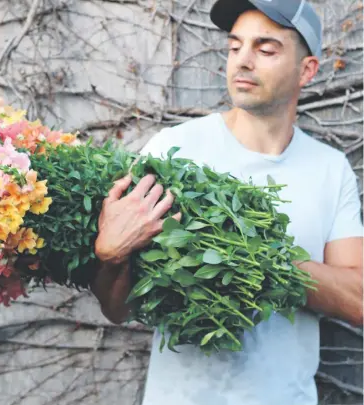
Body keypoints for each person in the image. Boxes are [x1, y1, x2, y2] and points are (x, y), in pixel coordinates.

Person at [90, 0, 364, 404]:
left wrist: (258, 257)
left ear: (306, 70)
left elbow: (357, 298)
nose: (243, 61)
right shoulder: (175, 148)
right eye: (235, 47)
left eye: (265, 49)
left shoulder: (329, 168)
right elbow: (117, 309)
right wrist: (109, 254)